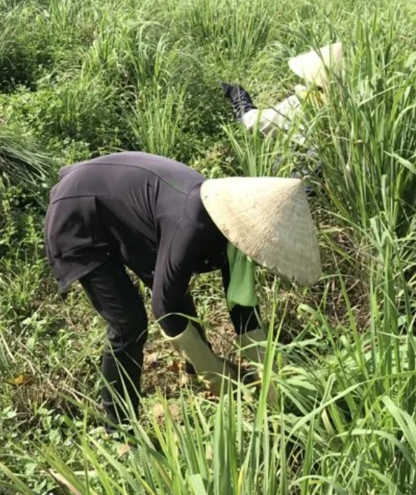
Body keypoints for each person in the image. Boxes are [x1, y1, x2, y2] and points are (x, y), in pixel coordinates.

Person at [44, 151, 321, 426]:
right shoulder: (192, 223)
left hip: (123, 210)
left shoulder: (231, 225)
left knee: (176, 292)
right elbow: (163, 306)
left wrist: (269, 371)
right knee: (129, 322)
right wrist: (212, 370)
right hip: (77, 212)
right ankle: (119, 426)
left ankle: (193, 372)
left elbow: (241, 302)